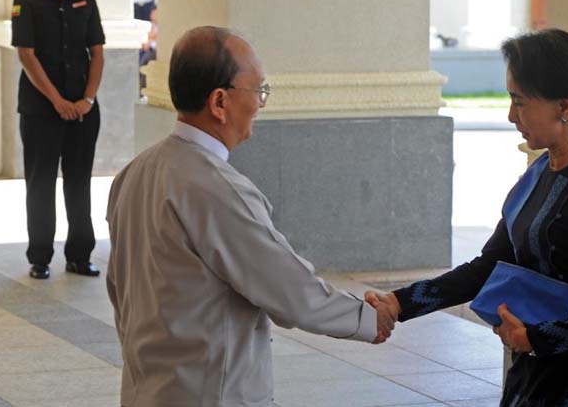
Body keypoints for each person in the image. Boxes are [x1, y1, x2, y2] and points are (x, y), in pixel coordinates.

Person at [106, 26, 394, 406]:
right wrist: (367, 318)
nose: (260, 103)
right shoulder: (217, 188)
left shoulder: (135, 172)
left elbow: (118, 288)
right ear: (219, 101)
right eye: (258, 90)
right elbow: (289, 290)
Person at [367, 29, 568, 407]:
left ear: (564, 108)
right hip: (533, 381)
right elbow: (488, 266)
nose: (511, 115)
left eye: (520, 101)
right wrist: (400, 304)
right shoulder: (538, 174)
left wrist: (536, 338)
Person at [10, 0, 105, 280]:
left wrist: (86, 99)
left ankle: (80, 255)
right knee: (41, 183)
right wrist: (57, 101)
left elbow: (96, 53)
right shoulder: (26, 2)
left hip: (82, 110)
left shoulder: (86, 1)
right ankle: (40, 257)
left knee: (79, 182)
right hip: (41, 110)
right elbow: (26, 55)